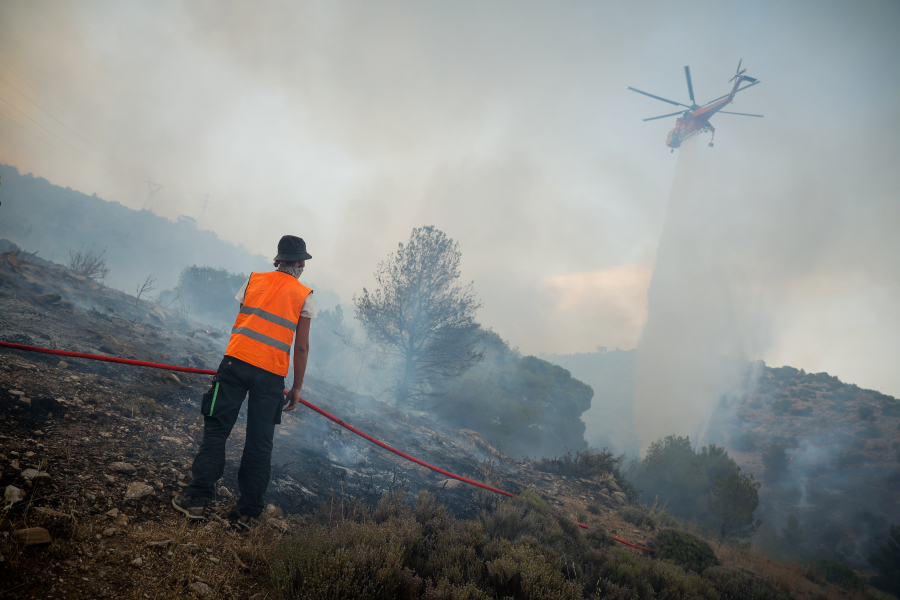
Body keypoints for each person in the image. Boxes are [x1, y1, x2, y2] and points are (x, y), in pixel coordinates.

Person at [172, 235, 316, 528]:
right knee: (259, 444)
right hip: (271, 375)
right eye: (302, 262)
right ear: (299, 263)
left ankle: (197, 500)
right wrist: (297, 387)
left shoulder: (254, 279)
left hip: (236, 363)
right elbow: (301, 347)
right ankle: (248, 514)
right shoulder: (305, 295)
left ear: (277, 260)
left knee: (216, 431)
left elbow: (242, 319)